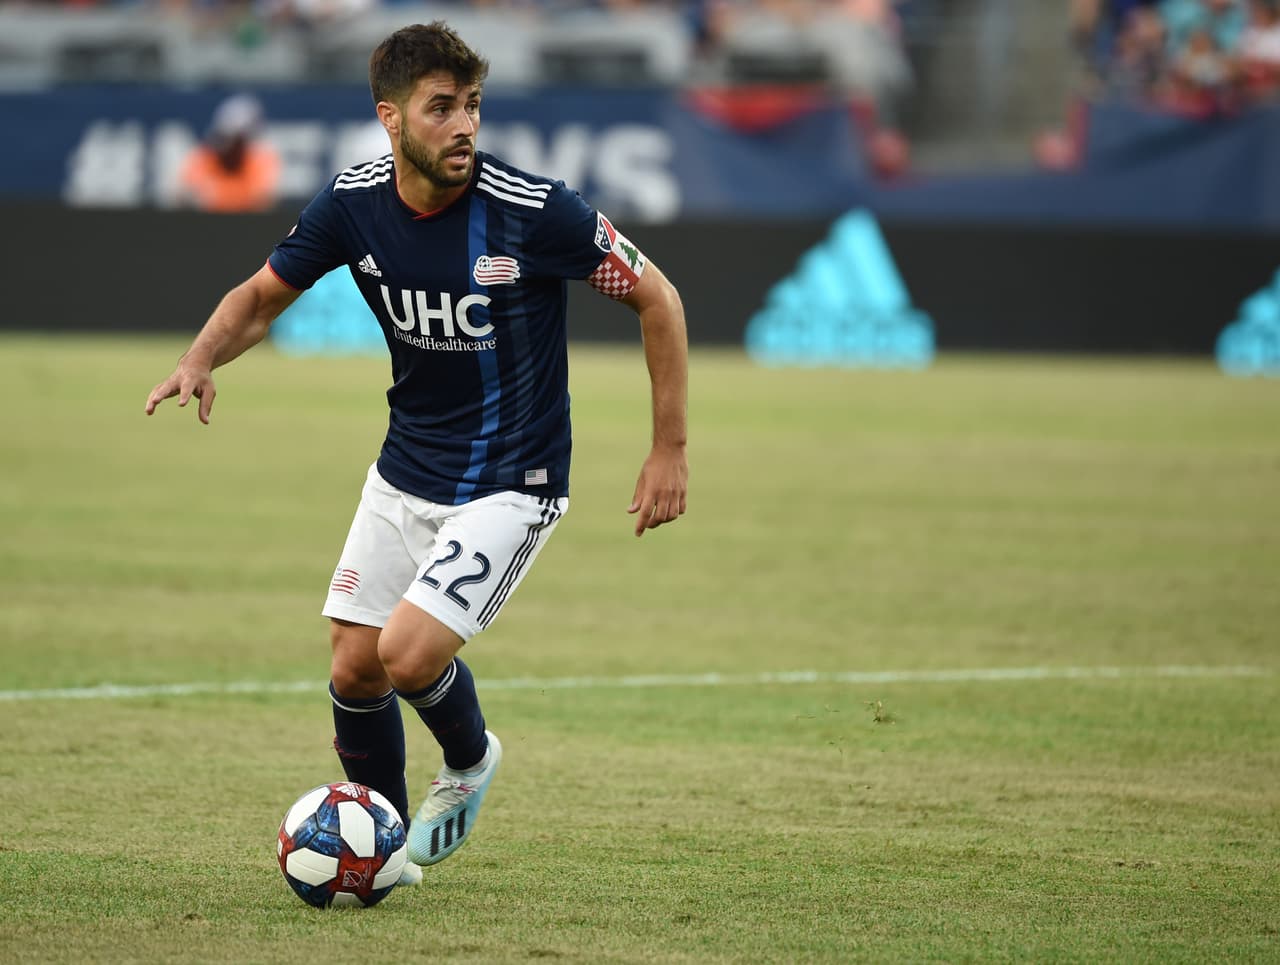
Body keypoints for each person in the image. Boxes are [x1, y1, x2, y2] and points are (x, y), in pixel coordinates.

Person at [145, 21, 689, 884]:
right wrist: (201, 355)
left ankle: (469, 760)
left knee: (406, 655)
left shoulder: (534, 209)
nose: (465, 124)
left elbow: (658, 298)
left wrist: (669, 448)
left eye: (473, 105)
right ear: (391, 121)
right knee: (353, 664)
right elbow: (260, 296)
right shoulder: (353, 202)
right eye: (442, 108)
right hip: (406, 470)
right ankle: (386, 849)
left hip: (514, 480)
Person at [177, 93, 281, 213]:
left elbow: (261, 200)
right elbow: (183, 195)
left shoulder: (263, 160)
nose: (231, 145)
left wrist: (212, 195)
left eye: (238, 140)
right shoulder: (204, 156)